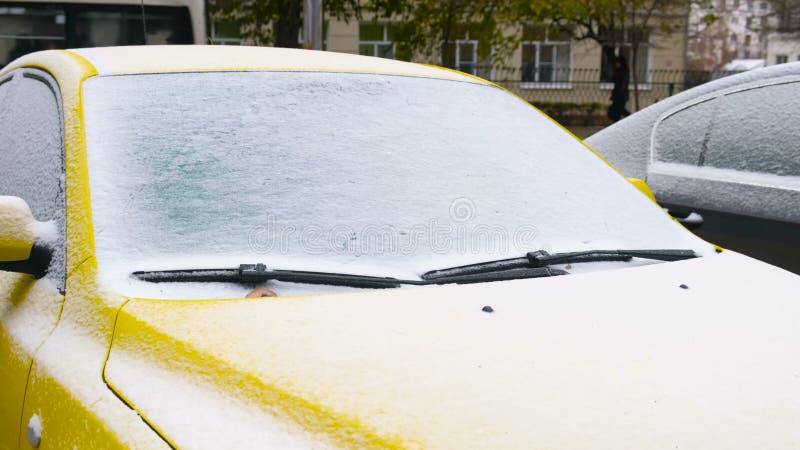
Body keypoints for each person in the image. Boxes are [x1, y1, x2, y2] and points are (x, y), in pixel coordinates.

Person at [607, 55, 631, 122]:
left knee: (619, 109)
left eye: (618, 63)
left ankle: (630, 118)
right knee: (617, 109)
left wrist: (621, 92)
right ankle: (616, 120)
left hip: (621, 94)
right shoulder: (618, 71)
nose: (616, 64)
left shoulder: (624, 71)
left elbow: (624, 83)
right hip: (617, 93)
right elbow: (613, 79)